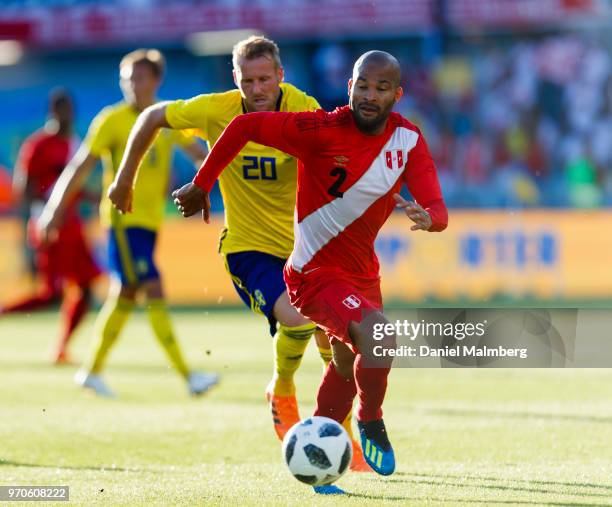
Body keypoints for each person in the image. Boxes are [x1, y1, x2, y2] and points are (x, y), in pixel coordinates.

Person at [173, 51, 448, 483]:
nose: (369, 96)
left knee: (343, 363)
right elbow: (243, 126)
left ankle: (316, 454)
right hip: (311, 273)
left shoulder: (408, 141)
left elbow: (436, 204)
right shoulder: (319, 129)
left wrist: (431, 219)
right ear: (349, 87)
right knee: (379, 338)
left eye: (380, 88)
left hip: (361, 273)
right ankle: (370, 419)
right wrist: (202, 182)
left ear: (398, 94)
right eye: (361, 85)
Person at [107, 37, 369, 470]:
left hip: (305, 250)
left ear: (281, 77)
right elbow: (154, 115)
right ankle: (283, 388)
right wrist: (124, 178)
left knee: (336, 338)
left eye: (266, 79)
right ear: (236, 80)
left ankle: (340, 432)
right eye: (248, 81)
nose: (258, 88)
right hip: (248, 249)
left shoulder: (303, 109)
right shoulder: (217, 108)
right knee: (300, 316)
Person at [37, 49, 218, 398]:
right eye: (127, 79)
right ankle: (188, 376)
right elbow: (79, 167)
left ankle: (91, 371)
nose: (133, 85)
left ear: (155, 81)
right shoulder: (112, 120)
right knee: (153, 287)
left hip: (150, 224)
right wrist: (53, 210)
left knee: (125, 295)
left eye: (140, 78)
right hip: (123, 223)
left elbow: (200, 153)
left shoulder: (165, 118)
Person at [1, 90, 100, 364]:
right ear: (53, 112)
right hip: (49, 225)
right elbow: (23, 188)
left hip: (72, 225)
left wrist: (101, 196)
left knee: (86, 288)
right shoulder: (38, 145)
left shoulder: (75, 143)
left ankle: (61, 348)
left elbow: (75, 187)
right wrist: (46, 207)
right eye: (62, 110)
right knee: (52, 294)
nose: (67, 116)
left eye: (70, 110)